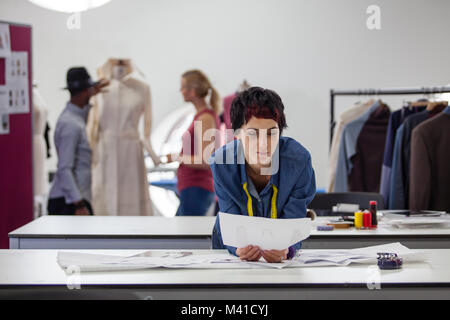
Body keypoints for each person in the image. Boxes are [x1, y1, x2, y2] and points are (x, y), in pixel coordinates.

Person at [210, 87, 316, 263]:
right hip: (233, 255)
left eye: (271, 133)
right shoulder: (221, 164)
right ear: (237, 135)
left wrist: (287, 249)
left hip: (281, 258)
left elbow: (294, 221)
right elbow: (230, 219)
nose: (263, 143)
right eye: (252, 134)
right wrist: (237, 249)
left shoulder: (299, 161)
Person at [47, 67, 108, 215]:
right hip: (69, 202)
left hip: (72, 198)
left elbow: (82, 117)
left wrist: (92, 91)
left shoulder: (74, 118)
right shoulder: (70, 124)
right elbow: (64, 168)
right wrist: (79, 204)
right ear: (85, 91)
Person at [161, 70, 221, 216]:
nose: (180, 91)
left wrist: (176, 157)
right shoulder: (200, 116)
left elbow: (205, 160)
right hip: (191, 188)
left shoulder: (205, 118)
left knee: (184, 236)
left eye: (182, 87)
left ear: (192, 91)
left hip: (196, 188)